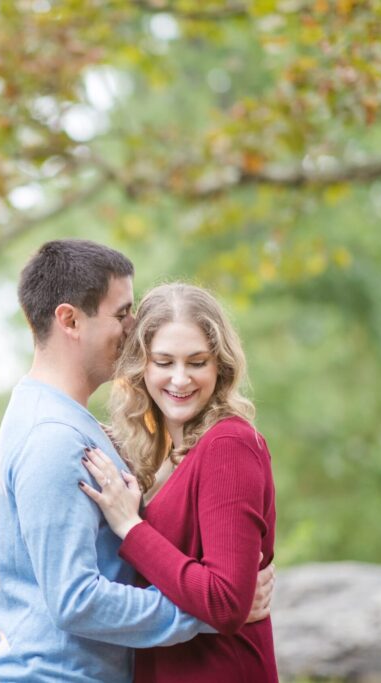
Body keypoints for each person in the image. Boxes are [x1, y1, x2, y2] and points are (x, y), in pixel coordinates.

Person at [0, 242, 273, 683]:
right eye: (121, 313)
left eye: (196, 362)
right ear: (70, 320)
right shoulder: (52, 437)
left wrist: (219, 598)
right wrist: (207, 612)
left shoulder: (73, 427)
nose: (133, 327)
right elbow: (76, 599)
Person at [81, 282, 278, 682]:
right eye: (164, 362)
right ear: (143, 366)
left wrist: (130, 528)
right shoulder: (165, 451)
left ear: (219, 365)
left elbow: (225, 603)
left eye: (197, 361)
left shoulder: (228, 444)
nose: (181, 379)